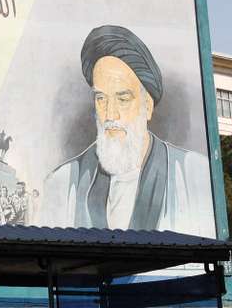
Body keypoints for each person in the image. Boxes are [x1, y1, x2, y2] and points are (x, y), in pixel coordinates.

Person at [40, 25, 213, 234]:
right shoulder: (62, 183)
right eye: (101, 98)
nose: (110, 115)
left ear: (147, 106)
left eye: (122, 98)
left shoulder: (195, 175)